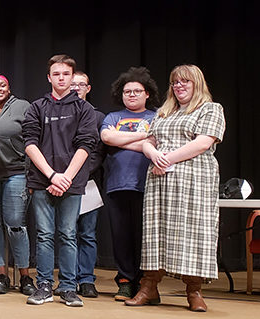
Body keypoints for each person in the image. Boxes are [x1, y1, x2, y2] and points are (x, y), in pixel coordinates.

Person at [125, 64, 224, 313]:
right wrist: (153, 153)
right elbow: (148, 140)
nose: (179, 86)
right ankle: (149, 287)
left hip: (194, 180)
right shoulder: (164, 112)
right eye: (175, 83)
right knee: (156, 230)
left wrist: (166, 159)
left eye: (185, 82)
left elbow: (203, 143)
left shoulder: (210, 109)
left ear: (197, 84)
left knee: (194, 231)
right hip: (160, 179)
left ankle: (194, 290)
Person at [21, 54, 100, 307]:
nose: (61, 78)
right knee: (44, 234)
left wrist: (66, 177)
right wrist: (52, 175)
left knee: (68, 234)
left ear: (72, 77)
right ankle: (44, 285)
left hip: (72, 182)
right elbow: (30, 144)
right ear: (49, 77)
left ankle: (68, 287)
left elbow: (86, 144)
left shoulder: (84, 109)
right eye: (56, 74)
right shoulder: (36, 107)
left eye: (66, 74)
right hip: (43, 181)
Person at [99, 66, 159, 302]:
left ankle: (146, 284)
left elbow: (155, 142)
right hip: (117, 185)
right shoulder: (112, 118)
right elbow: (107, 138)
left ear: (147, 93)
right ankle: (125, 282)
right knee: (121, 237)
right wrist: (143, 138)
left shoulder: (157, 117)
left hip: (149, 187)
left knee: (144, 238)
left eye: (136, 91)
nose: (131, 94)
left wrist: (121, 140)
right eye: (127, 91)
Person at [0, 75, 35, 295]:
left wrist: (32, 175)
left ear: (9, 88)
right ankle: (1, 276)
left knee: (15, 224)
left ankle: (24, 277)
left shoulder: (23, 107)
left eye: (2, 85)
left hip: (17, 174)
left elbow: (34, 139)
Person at [69, 70, 106, 298]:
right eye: (72, 84)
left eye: (80, 85)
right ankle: (69, 278)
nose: (76, 88)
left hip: (89, 183)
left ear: (88, 88)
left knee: (88, 234)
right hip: (62, 182)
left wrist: (75, 173)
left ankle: (86, 279)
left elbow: (98, 152)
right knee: (67, 233)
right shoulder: (58, 113)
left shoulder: (98, 117)